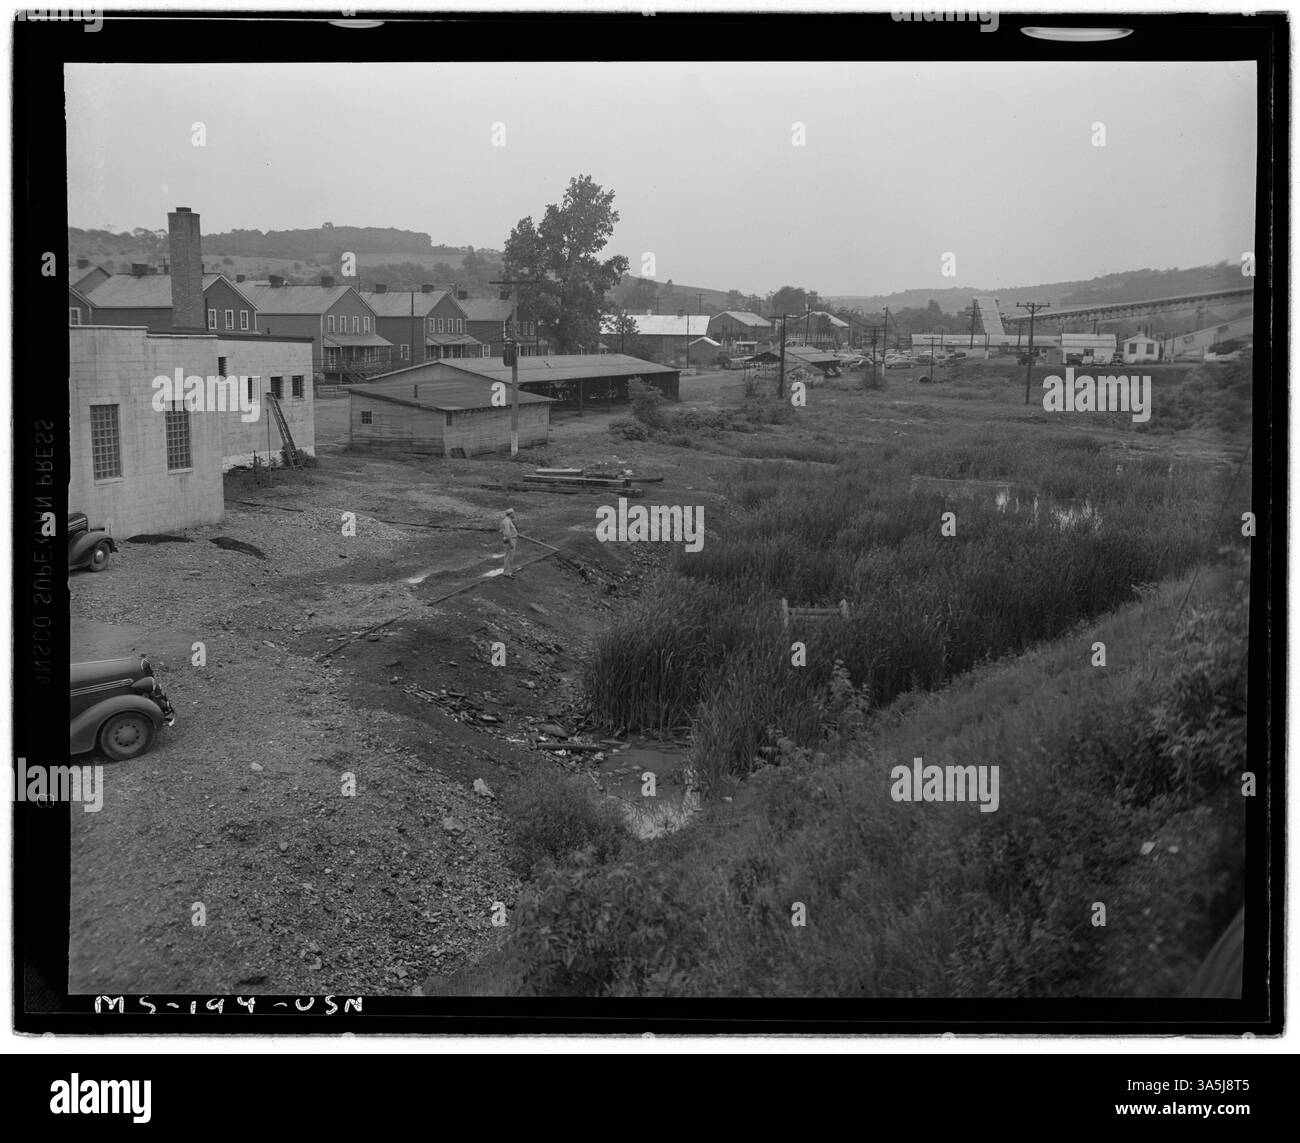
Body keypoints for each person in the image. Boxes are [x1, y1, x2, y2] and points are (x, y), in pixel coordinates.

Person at [500, 507, 518, 578]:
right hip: (510, 539)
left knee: (510, 556)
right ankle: (506, 573)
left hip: (511, 538)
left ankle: (508, 572)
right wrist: (511, 543)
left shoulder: (507, 520)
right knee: (509, 557)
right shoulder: (507, 521)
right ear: (510, 514)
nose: (514, 514)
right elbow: (507, 533)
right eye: (513, 513)